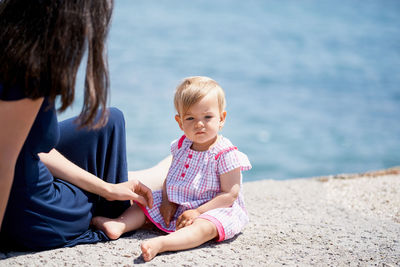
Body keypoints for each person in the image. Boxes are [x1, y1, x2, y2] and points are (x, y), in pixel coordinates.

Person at [0, 0, 167, 251]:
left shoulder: (10, 39)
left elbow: (26, 145)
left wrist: (107, 188)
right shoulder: (27, 69)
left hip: (24, 167)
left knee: (109, 122)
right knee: (109, 176)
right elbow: (3, 161)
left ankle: (142, 180)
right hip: (32, 214)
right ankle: (167, 177)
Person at [91, 76, 252, 261]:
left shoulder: (225, 153)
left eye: (207, 117)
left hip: (214, 207)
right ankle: (119, 225)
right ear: (180, 122)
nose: (199, 124)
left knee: (205, 227)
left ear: (221, 118)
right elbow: (171, 176)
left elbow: (229, 194)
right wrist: (167, 200)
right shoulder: (182, 145)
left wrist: (198, 212)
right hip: (181, 202)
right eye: (190, 118)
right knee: (148, 201)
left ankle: (162, 244)